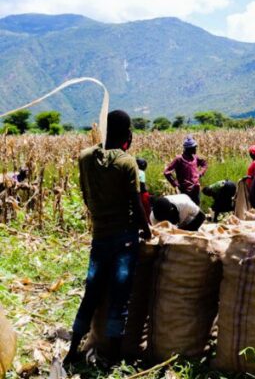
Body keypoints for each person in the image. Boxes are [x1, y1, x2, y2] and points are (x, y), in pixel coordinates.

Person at [64, 110, 151, 365]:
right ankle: (113, 354)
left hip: (99, 235)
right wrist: (147, 231)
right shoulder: (127, 162)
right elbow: (136, 205)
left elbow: (85, 194)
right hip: (124, 238)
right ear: (128, 134)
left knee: (91, 293)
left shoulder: (85, 157)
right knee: (119, 295)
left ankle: (72, 349)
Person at [164, 136, 208, 205]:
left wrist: (200, 173)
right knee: (187, 208)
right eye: (194, 148)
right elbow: (167, 172)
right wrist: (175, 184)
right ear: (188, 149)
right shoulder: (179, 159)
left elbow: (204, 164)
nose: (195, 149)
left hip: (196, 188)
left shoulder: (195, 158)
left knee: (196, 208)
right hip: (185, 190)